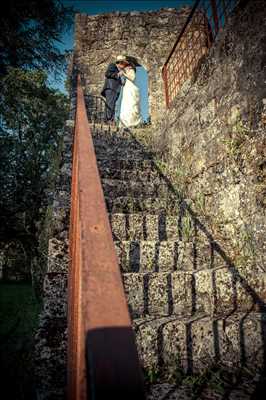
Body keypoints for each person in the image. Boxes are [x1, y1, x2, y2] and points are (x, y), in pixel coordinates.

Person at [101, 55, 126, 122]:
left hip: (115, 90)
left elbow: (118, 80)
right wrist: (118, 75)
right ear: (120, 63)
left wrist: (122, 81)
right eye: (124, 64)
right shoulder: (112, 66)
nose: (124, 66)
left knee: (112, 105)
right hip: (111, 88)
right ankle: (109, 120)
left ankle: (108, 120)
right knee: (110, 104)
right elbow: (107, 74)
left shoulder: (119, 70)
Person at [119, 60, 142, 128]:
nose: (125, 67)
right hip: (126, 89)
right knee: (125, 105)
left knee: (131, 104)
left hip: (131, 88)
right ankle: (124, 123)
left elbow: (133, 78)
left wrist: (124, 74)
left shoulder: (131, 70)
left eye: (126, 66)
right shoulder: (126, 71)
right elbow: (123, 83)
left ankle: (131, 123)